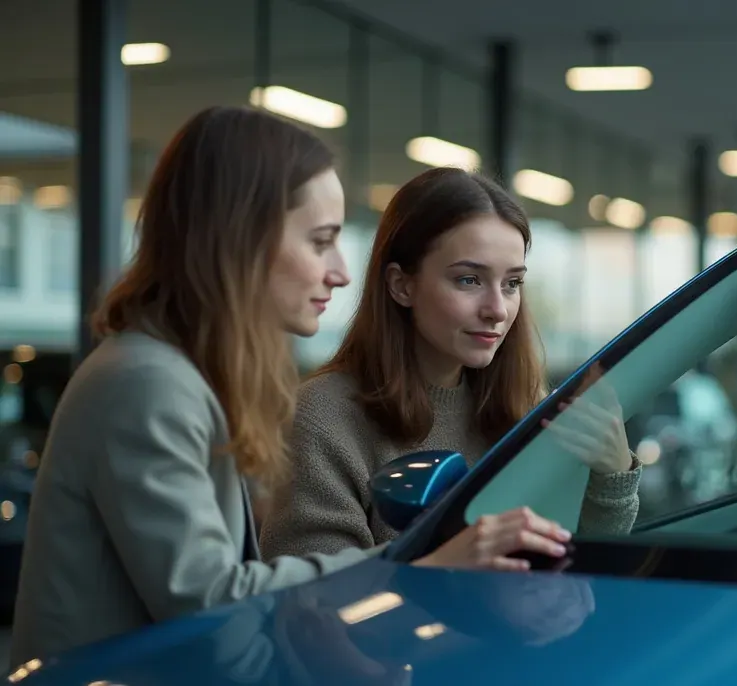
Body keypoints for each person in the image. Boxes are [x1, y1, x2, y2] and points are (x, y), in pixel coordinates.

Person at [9, 107, 569, 667]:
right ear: (241, 239)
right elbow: (210, 606)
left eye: (512, 282)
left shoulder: (183, 378)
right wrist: (418, 561)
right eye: (320, 241)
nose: (341, 271)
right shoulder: (148, 383)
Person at [259, 167, 642, 566]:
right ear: (401, 285)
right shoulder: (324, 416)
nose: (497, 309)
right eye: (469, 280)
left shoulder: (525, 406)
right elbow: (312, 603)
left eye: (512, 283)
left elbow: (579, 572)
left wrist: (613, 475)